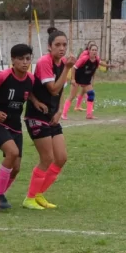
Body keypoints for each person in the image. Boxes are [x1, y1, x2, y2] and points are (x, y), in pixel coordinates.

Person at [0, 44, 45, 210]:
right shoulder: (2, 77)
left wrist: (36, 102)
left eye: (28, 59)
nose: (24, 62)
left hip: (15, 126)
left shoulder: (30, 79)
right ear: (12, 60)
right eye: (20, 59)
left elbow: (29, 92)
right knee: (12, 152)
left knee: (16, 168)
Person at [22, 27, 76, 210]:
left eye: (64, 45)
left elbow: (61, 91)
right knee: (47, 158)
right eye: (58, 45)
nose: (62, 48)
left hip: (52, 116)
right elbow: (53, 88)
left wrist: (60, 110)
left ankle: (39, 194)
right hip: (36, 116)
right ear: (49, 47)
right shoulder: (45, 62)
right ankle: (29, 198)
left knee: (61, 158)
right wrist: (68, 68)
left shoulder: (62, 64)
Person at [61, 42, 114, 120]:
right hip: (77, 79)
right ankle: (64, 114)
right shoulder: (84, 58)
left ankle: (89, 115)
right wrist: (73, 79)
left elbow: (100, 63)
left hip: (86, 80)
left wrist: (108, 66)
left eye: (96, 50)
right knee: (71, 96)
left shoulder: (96, 59)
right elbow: (74, 68)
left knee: (91, 94)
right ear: (89, 51)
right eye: (92, 50)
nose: (94, 51)